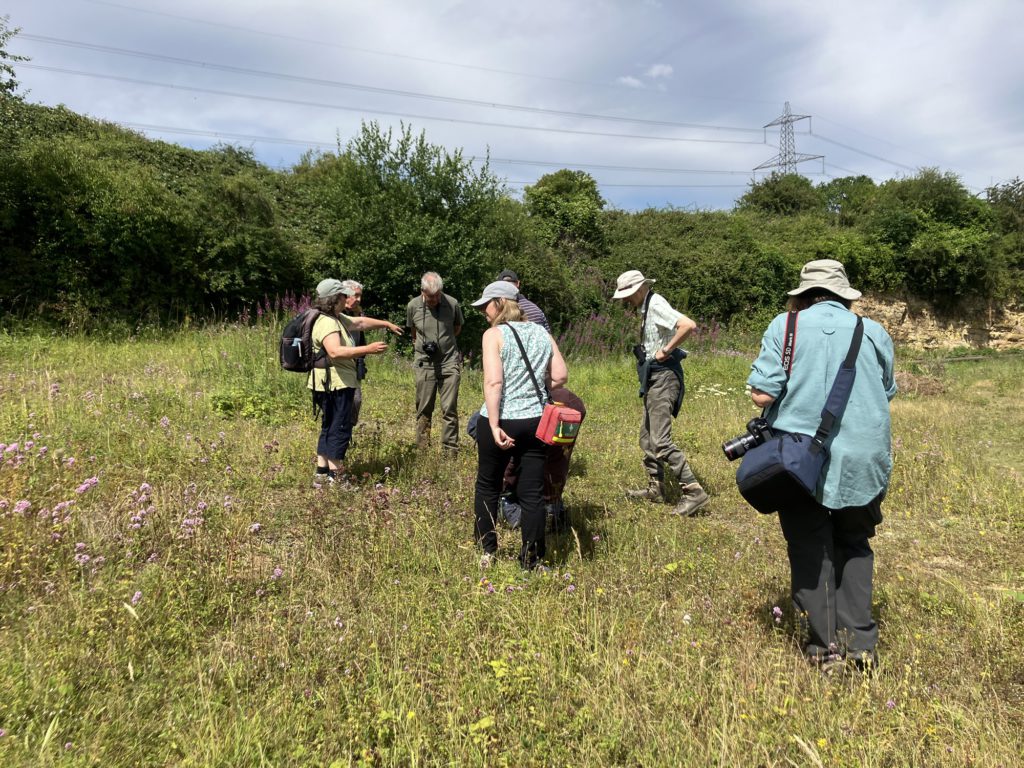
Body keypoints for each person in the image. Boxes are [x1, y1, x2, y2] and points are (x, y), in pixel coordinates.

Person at [747, 259, 897, 672]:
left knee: (811, 546)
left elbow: (762, 394)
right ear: (844, 296)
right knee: (855, 542)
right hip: (863, 457)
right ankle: (861, 648)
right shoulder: (873, 331)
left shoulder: (786, 326)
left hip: (800, 459)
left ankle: (826, 649)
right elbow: (888, 389)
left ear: (804, 295)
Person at [472, 280, 568, 570]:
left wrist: (494, 423)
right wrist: (537, 385)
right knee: (532, 492)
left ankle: (487, 551)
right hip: (536, 421)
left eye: (486, 306)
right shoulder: (541, 332)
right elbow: (560, 376)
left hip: (502, 418)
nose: (483, 312)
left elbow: (493, 381)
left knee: (488, 485)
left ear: (500, 303)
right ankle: (532, 559)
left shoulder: (494, 335)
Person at [613, 269, 709, 516]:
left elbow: (688, 325)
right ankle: (656, 488)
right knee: (647, 438)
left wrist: (665, 351)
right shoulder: (646, 307)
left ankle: (694, 491)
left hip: (664, 376)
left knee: (660, 441)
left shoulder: (655, 303)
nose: (625, 299)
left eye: (628, 294)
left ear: (640, 288)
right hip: (654, 377)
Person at [309, 279, 402, 484]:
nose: (346, 299)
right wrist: (367, 349)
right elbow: (335, 351)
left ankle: (322, 475)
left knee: (329, 425)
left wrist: (385, 324)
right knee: (339, 428)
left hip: (330, 381)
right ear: (335, 298)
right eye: (343, 295)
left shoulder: (334, 317)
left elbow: (359, 323)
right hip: (335, 383)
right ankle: (336, 479)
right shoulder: (328, 322)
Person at [406, 272, 464, 453]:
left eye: (438, 294)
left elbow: (456, 328)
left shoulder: (452, 304)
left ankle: (450, 451)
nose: (435, 299)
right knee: (423, 409)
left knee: (449, 409)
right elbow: (414, 333)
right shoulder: (413, 306)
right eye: (431, 297)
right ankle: (422, 449)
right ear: (422, 291)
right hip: (425, 363)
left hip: (449, 362)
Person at [341, 280, 367, 427]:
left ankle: (347, 433)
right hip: (337, 367)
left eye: (360, 296)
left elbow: (361, 340)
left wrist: (362, 360)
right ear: (345, 295)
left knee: (356, 401)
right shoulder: (335, 314)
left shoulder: (357, 314)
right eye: (356, 295)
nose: (359, 299)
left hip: (353, 367)